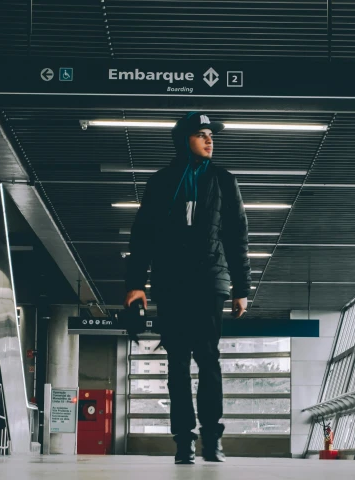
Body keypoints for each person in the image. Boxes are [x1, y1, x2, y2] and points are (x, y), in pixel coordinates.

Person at [124, 112, 251, 464]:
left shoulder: (224, 180)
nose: (210, 140)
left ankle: (212, 439)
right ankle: (184, 441)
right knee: (177, 363)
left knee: (208, 358)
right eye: (201, 134)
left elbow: (237, 236)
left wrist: (241, 287)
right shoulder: (161, 182)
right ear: (183, 140)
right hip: (170, 282)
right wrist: (135, 284)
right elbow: (143, 235)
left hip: (210, 280)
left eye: (211, 135)